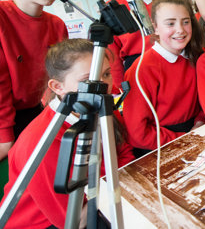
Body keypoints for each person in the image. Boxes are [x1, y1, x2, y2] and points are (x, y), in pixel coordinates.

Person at [1, 39, 135, 229]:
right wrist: (114, 186)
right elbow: (73, 221)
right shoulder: (40, 142)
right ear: (57, 87)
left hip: (100, 197)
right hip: (49, 223)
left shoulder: (100, 106)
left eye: (106, 74)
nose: (102, 86)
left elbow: (123, 152)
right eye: (88, 81)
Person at [0, 0, 68, 160]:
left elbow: (59, 75)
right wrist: (4, 135)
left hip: (37, 110)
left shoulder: (56, 24)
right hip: (4, 117)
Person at [122, 0, 205, 156]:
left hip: (196, 134)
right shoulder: (140, 70)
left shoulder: (197, 57)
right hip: (159, 148)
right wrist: (183, 139)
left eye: (185, 22)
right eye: (170, 23)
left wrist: (200, 121)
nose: (180, 30)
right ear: (155, 27)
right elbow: (137, 133)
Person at [108, 0, 168, 90]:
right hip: (135, 76)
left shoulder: (167, 2)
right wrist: (120, 87)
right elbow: (112, 57)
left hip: (169, 68)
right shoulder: (114, 8)